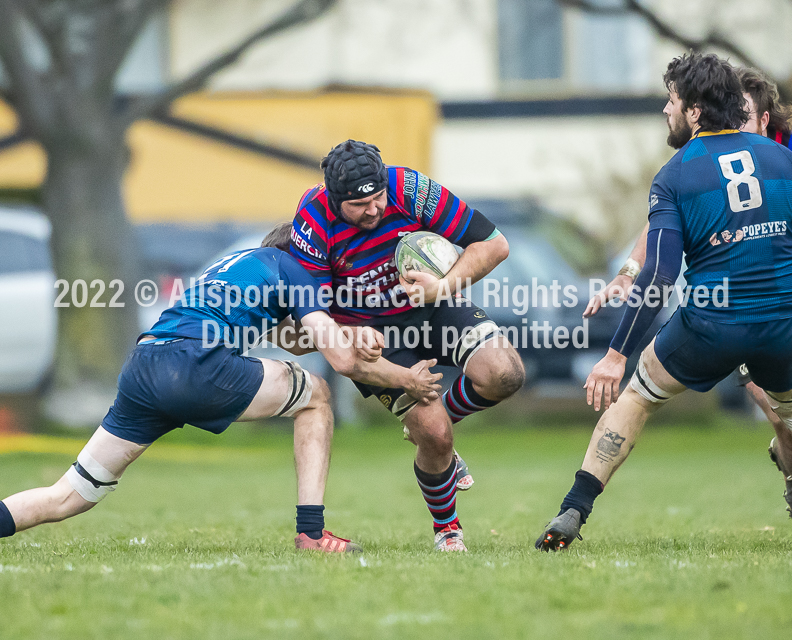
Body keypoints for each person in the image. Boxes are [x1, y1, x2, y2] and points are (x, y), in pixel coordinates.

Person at [0, 237, 442, 552]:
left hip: (145, 365)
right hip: (195, 365)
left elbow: (295, 339)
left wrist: (355, 334)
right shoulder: (294, 268)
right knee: (317, 394)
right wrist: (407, 379)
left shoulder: (238, 263)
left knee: (70, 495)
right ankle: (312, 533)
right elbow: (339, 361)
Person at [536, 53, 792, 551]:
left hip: (711, 324)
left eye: (671, 101)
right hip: (784, 322)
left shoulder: (676, 175)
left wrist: (613, 356)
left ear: (695, 110)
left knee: (636, 395)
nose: (664, 110)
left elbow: (660, 273)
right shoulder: (783, 160)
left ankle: (574, 507)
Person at [290, 140, 525, 551]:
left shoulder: (409, 189)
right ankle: (448, 530)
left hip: (432, 305)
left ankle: (443, 419)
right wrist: (351, 334)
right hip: (372, 336)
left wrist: (443, 286)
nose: (374, 210)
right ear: (335, 199)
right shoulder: (312, 222)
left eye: (378, 198)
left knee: (505, 374)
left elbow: (495, 244)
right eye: (359, 206)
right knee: (434, 436)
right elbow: (314, 316)